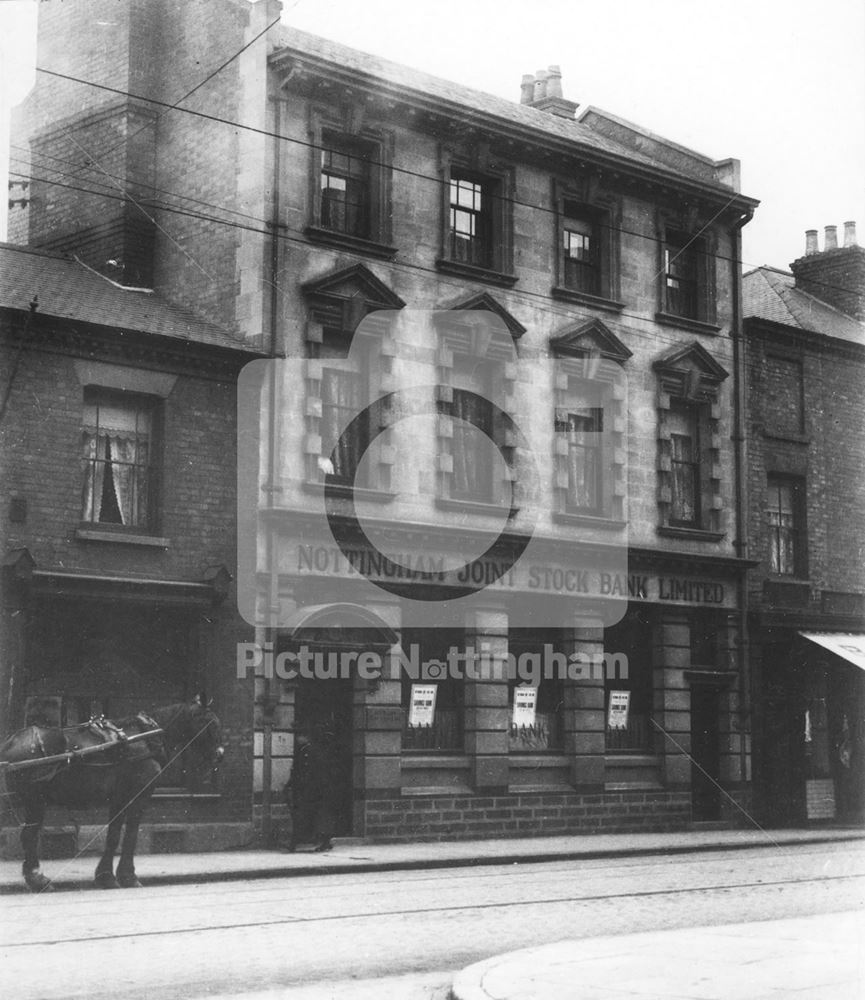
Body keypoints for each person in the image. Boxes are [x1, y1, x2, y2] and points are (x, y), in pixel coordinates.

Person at [283, 723, 336, 852]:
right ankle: (313, 841)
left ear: (305, 737)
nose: (297, 739)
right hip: (311, 789)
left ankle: (321, 842)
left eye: (299, 736)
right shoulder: (305, 749)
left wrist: (300, 785)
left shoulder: (309, 751)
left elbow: (308, 771)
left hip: (313, 790)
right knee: (311, 815)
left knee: (315, 815)